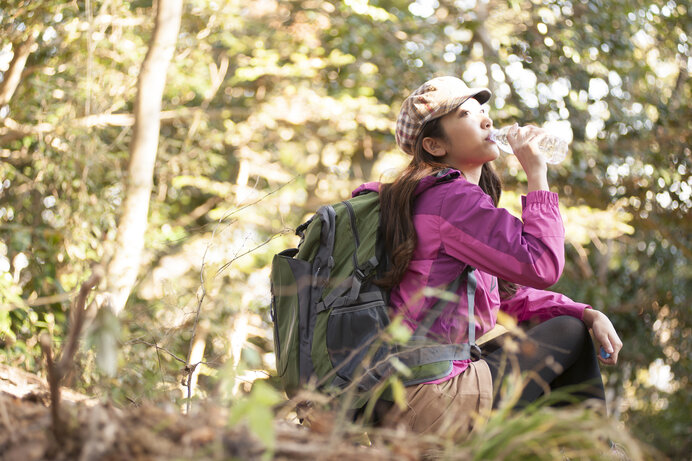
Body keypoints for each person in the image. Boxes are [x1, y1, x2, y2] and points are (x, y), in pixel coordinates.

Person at [351, 76, 623, 439]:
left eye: (483, 110)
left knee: (564, 325)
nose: (486, 120)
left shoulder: (429, 198)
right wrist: (537, 174)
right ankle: (598, 450)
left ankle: (577, 448)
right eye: (465, 113)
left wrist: (586, 311)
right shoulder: (450, 200)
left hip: (401, 395)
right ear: (433, 145)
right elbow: (542, 266)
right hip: (431, 398)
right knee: (568, 334)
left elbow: (501, 300)